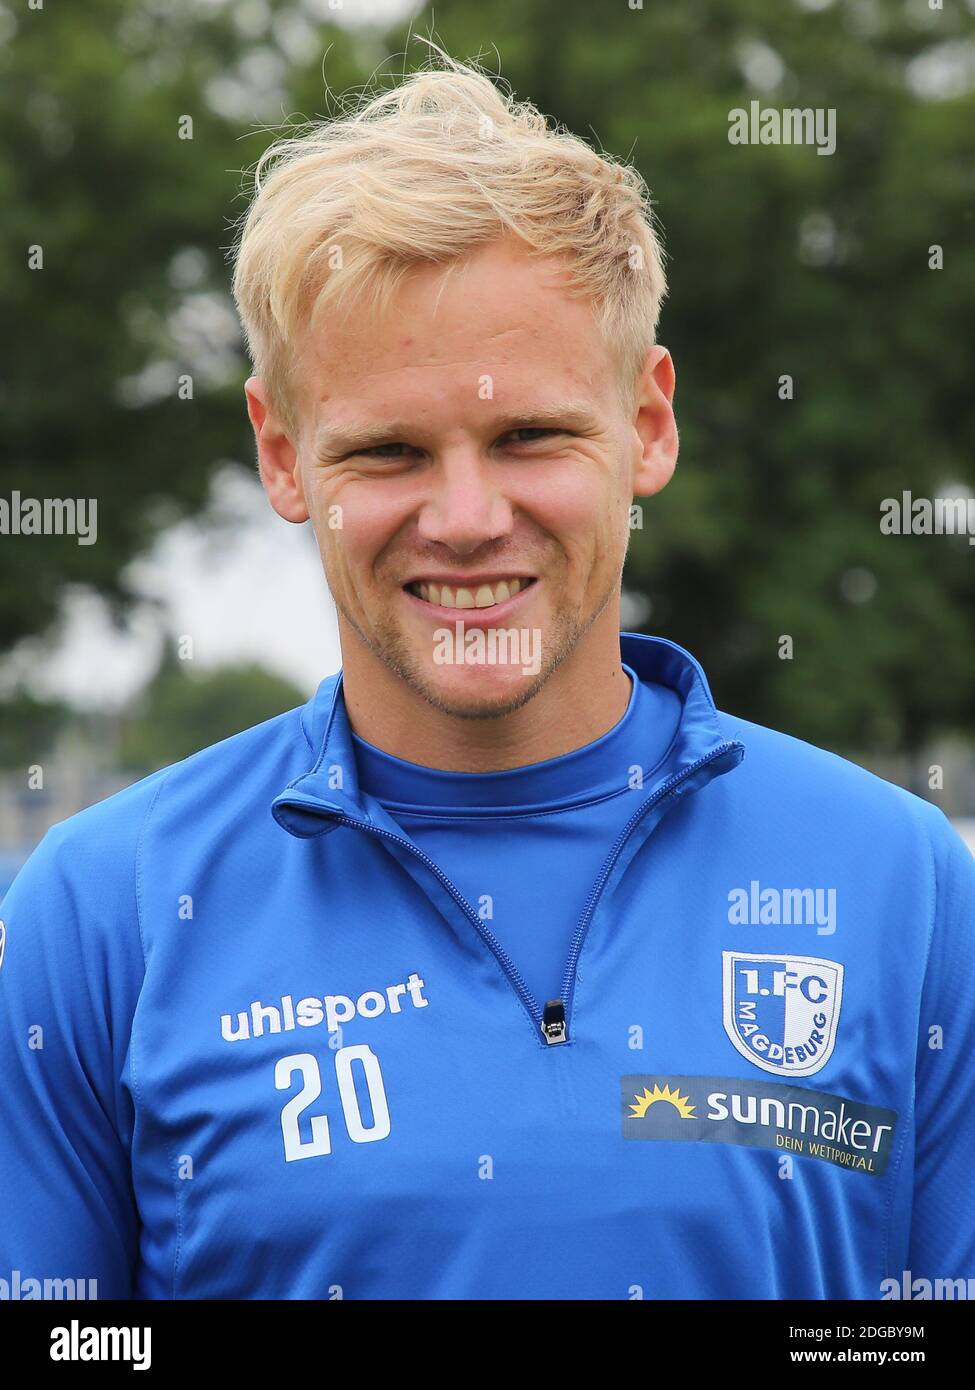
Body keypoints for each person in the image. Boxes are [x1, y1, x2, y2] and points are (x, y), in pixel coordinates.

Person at [1, 51, 972, 1302]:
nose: (465, 518)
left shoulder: (902, 879)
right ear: (284, 457)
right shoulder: (100, 910)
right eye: (390, 451)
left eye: (530, 436)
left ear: (650, 424)